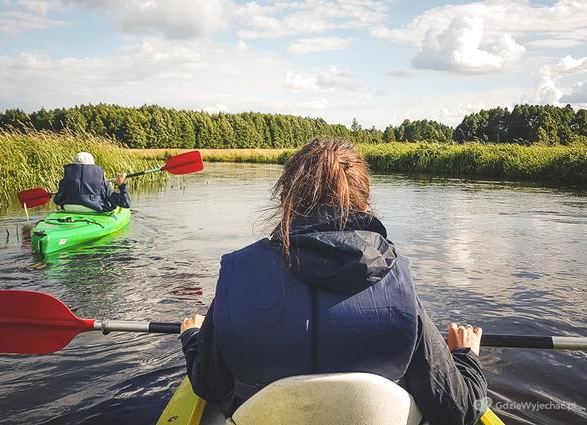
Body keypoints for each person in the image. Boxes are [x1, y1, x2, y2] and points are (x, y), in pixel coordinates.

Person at [179, 138, 488, 425]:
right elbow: (461, 409)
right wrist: (464, 356)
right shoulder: (396, 278)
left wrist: (193, 337)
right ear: (365, 206)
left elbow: (209, 383)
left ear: (286, 203)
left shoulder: (237, 273)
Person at [53, 152, 131, 212]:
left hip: (68, 209)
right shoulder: (101, 182)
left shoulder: (66, 180)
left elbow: (57, 200)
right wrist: (121, 184)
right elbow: (125, 203)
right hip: (93, 209)